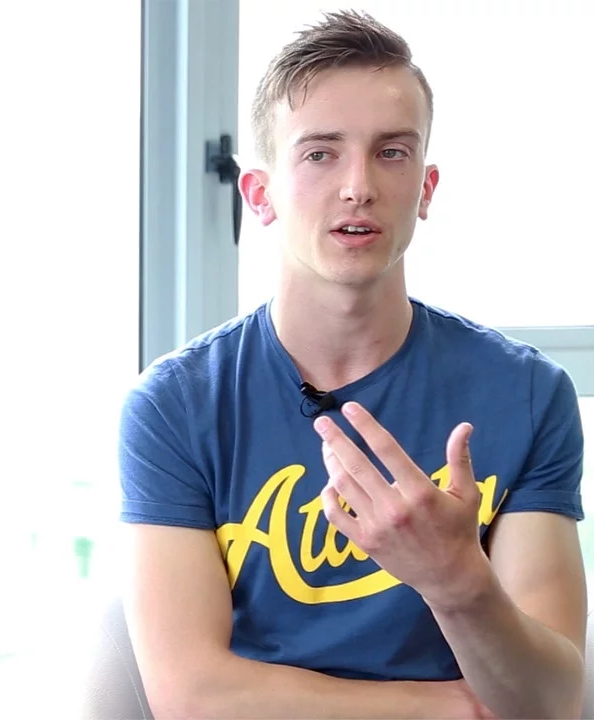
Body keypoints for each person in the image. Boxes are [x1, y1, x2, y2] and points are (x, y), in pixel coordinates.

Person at [119, 9, 585, 719]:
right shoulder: (175, 405)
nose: (358, 186)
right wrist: (461, 710)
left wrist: (457, 581)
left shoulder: (527, 395)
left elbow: (551, 703)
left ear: (426, 189)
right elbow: (195, 697)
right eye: (320, 154)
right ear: (261, 194)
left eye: (392, 152)